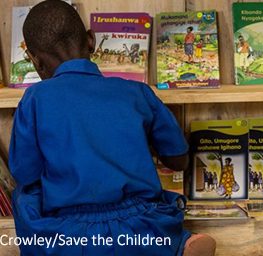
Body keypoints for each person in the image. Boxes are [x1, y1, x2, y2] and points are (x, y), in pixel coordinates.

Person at [9, 1, 216, 255]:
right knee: (158, 210)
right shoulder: (136, 92)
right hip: (141, 224)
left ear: (35, 61)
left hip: (70, 233)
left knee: (24, 195)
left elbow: (26, 173)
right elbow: (179, 161)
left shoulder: (34, 99)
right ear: (91, 41)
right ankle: (177, 244)